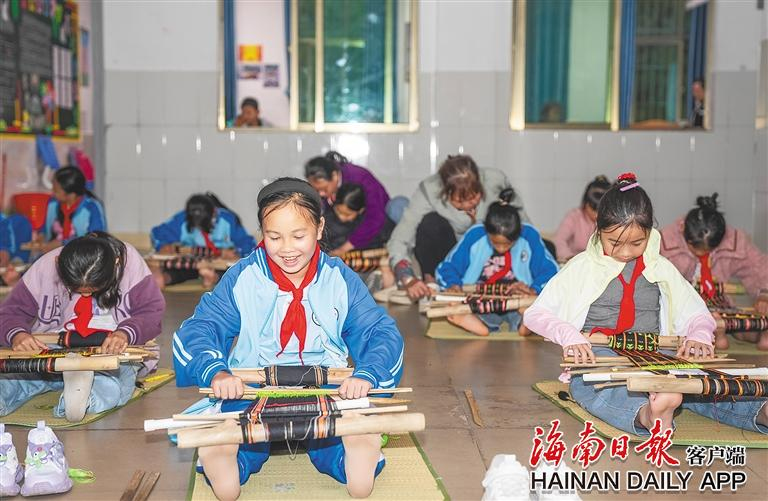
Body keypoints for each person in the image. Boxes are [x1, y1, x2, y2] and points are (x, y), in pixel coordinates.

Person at [172, 177, 404, 500]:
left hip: (327, 386)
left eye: (298, 236)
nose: (287, 249)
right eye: (274, 237)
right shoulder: (243, 276)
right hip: (253, 388)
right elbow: (202, 327)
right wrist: (217, 372)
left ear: (319, 228)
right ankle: (223, 454)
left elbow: (379, 331)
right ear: (261, 233)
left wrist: (367, 375)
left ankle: (357, 450)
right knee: (243, 445)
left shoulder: (339, 278)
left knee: (335, 447)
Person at [524, 173, 768, 437]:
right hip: (599, 352)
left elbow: (697, 313)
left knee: (701, 381)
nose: (626, 252)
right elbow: (536, 314)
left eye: (637, 243)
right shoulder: (582, 267)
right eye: (615, 242)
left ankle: (760, 409)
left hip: (655, 352)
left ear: (650, 233)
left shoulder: (661, 268)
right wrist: (569, 336)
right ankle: (650, 415)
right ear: (599, 229)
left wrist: (698, 336)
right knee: (593, 383)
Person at [0, 232, 165, 422]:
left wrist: (125, 333)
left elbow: (151, 310)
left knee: (116, 381)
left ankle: (81, 398)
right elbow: (10, 311)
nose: (86, 296)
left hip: (113, 348)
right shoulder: (46, 266)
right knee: (20, 375)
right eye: (76, 289)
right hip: (56, 345)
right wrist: (18, 335)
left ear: (116, 263)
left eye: (93, 289)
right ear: (58, 263)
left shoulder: (130, 262)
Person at [388, 154, 529, 301]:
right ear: (445, 193)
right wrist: (407, 278)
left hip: (489, 250)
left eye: (474, 197)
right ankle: (433, 282)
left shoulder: (495, 181)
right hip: (449, 255)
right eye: (460, 202)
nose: (469, 205)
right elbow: (400, 237)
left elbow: (523, 224)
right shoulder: (429, 190)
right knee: (430, 223)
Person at [436, 189, 558, 336]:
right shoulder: (475, 234)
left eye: (508, 244)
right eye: (495, 243)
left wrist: (534, 289)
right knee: (461, 305)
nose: (501, 249)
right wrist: (453, 285)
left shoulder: (529, 235)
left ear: (518, 233)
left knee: (535, 306)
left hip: (518, 300)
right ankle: (477, 323)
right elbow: (447, 267)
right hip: (480, 298)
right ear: (487, 231)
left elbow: (551, 271)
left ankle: (526, 321)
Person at [660, 193, 768, 350]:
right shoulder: (664, 241)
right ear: (683, 229)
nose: (701, 253)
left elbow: (758, 266)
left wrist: (764, 294)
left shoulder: (734, 240)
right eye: (695, 247)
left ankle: (750, 332)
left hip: (720, 305)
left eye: (709, 248)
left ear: (722, 238)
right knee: (684, 327)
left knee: (744, 327)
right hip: (686, 306)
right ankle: (716, 333)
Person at [305, 151, 401, 257]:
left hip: (374, 223)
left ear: (335, 176)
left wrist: (344, 248)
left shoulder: (361, 177)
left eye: (324, 189)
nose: (321, 194)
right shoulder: (327, 188)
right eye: (317, 190)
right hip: (348, 227)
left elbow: (376, 217)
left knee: (397, 206)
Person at [150, 193, 255, 289]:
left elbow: (247, 242)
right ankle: (163, 278)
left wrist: (238, 252)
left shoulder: (227, 219)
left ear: (214, 213)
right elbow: (157, 233)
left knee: (232, 272)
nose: (200, 229)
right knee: (181, 267)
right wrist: (163, 245)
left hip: (220, 261)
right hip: (193, 260)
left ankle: (213, 277)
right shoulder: (182, 218)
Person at [40, 166, 106, 251]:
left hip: (81, 254)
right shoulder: (52, 204)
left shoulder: (92, 207)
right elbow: (46, 228)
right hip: (53, 253)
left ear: (71, 194)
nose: (52, 192)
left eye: (56, 190)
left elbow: (97, 238)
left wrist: (63, 244)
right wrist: (41, 236)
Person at [552, 175, 611, 261]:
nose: (597, 215)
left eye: (601, 210)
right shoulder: (574, 216)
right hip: (574, 262)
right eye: (593, 209)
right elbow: (559, 240)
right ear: (586, 203)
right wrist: (571, 259)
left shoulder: (612, 220)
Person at [323, 183, 395, 251]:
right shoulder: (327, 221)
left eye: (348, 215)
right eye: (338, 211)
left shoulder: (370, 223)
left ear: (361, 210)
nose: (341, 217)